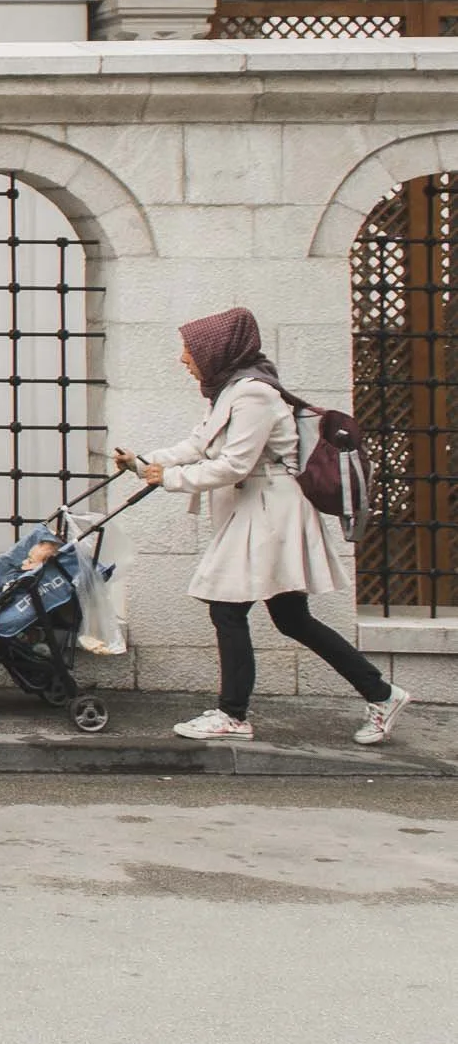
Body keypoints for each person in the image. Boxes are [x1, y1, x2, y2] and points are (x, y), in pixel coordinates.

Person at [116, 306, 409, 746]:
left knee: (228, 608)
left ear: (217, 349)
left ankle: (233, 715)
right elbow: (199, 443)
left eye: (189, 349)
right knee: (292, 619)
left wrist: (169, 479)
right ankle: (382, 693)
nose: (183, 358)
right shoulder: (233, 390)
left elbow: (235, 464)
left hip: (270, 512)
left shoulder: (254, 394)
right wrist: (145, 464)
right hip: (263, 509)